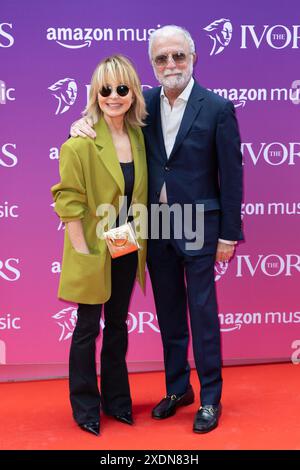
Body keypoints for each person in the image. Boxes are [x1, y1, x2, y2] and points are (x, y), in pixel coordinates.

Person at [70, 25, 243, 434]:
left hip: (200, 226)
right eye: (162, 58)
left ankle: (210, 399)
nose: (171, 64)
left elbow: (231, 177)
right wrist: (80, 124)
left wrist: (228, 234)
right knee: (168, 315)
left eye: (178, 56)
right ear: (152, 64)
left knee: (202, 314)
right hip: (154, 227)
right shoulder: (140, 103)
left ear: (193, 58)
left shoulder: (217, 108)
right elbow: (104, 123)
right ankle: (177, 388)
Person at [51, 55, 148, 436]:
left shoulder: (139, 136)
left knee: (119, 324)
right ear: (95, 93)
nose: (113, 96)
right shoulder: (80, 143)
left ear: (132, 93)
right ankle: (85, 407)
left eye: (121, 88)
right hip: (93, 244)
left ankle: (118, 402)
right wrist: (84, 253)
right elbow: (69, 201)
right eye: (105, 89)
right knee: (88, 326)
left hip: (124, 239)